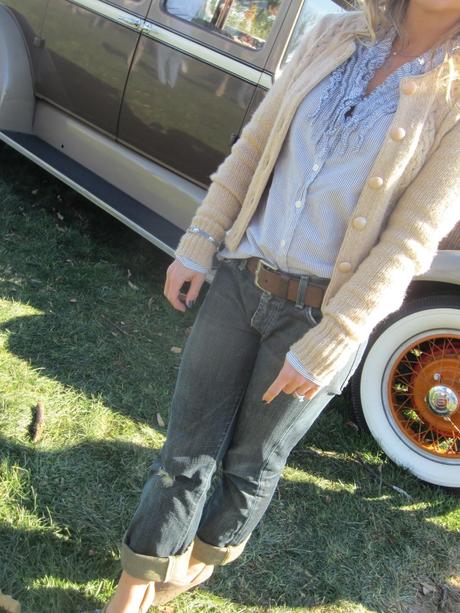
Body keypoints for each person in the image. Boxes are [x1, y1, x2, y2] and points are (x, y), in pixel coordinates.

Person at [96, 1, 460, 611]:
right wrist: (199, 241)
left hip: (320, 316)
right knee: (186, 443)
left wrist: (335, 339)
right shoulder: (335, 34)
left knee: (253, 459)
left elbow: (411, 240)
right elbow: (254, 146)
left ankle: (202, 557)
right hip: (243, 279)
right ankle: (135, 582)